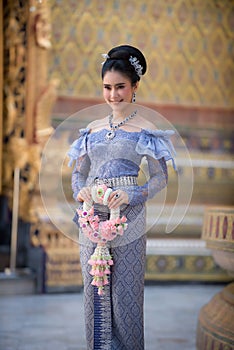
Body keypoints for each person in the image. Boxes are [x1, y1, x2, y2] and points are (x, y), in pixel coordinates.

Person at [68, 45, 176, 350]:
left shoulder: (146, 129)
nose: (113, 95)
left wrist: (130, 194)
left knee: (125, 292)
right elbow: (78, 174)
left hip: (128, 216)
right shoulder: (91, 129)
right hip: (90, 216)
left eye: (120, 87)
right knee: (94, 290)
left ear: (135, 87)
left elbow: (160, 178)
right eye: (107, 87)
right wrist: (81, 191)